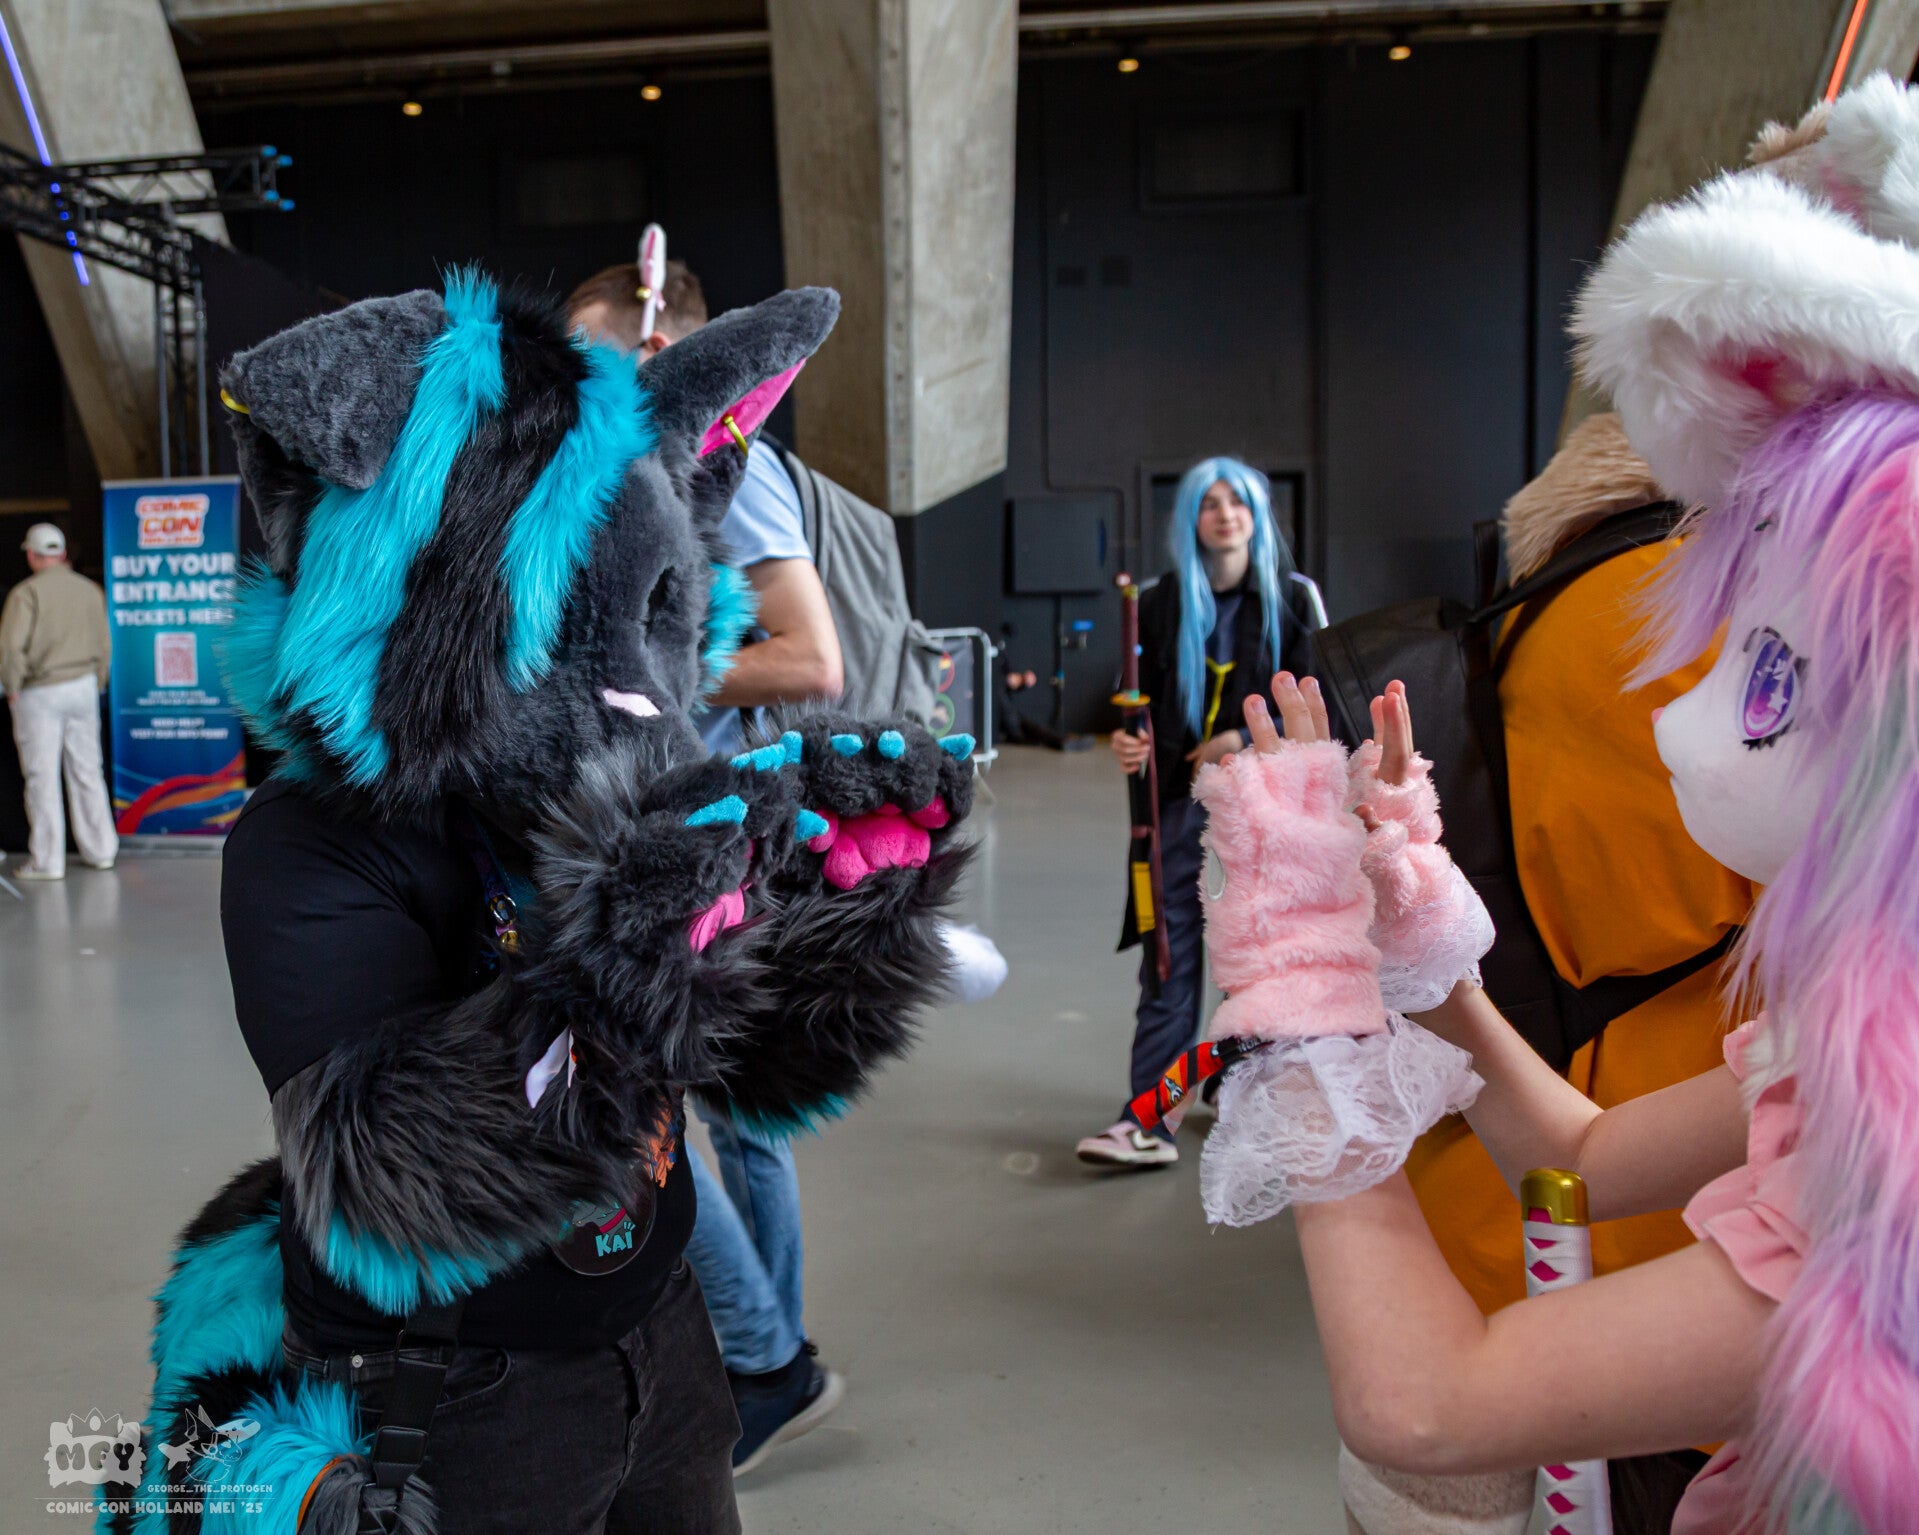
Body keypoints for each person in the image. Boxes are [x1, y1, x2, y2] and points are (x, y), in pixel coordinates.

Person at [107, 274, 977, 1534]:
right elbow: (390, 1182)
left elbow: (761, 1074)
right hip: (451, 1390)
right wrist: (632, 957)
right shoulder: (306, 848)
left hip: (662, 1340)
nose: (635, 696)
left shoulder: (616, 797)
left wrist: (852, 912)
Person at [1191, 78, 1919, 1535]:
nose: (1692, 711)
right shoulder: (1852, 1034)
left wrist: (1301, 986)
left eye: (1769, 667)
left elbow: (1426, 1403)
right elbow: (1580, 1153)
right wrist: (1419, 950)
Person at [570, 257, 849, 1475]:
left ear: (657, 348)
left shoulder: (735, 465)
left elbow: (811, 658)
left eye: (590, 352)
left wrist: (625, 663)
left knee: (648, 1105)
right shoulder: (625, 466)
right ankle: (767, 1360)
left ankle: (761, 1354)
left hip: (709, 842)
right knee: (734, 1116)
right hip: (685, 834)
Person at [1076, 458, 1320, 1169]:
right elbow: (1136, 702)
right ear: (1191, 518)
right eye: (1209, 503)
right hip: (1177, 814)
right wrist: (1130, 741)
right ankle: (1150, 1120)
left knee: (1262, 967)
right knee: (1168, 961)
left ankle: (1245, 1089)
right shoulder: (1159, 603)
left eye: (1236, 501)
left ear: (1256, 513)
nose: (1224, 514)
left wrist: (1239, 739)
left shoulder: (1294, 598)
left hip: (1267, 817)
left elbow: (1323, 697)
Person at [0, 521, 116, 879]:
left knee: (42, 777)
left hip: (40, 692)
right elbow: (104, 644)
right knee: (88, 771)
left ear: (32, 556)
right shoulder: (90, 590)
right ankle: (101, 850)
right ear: (63, 553)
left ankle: (47, 861)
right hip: (83, 687)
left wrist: (12, 687)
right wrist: (97, 680)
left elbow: (11, 649)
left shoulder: (26, 593)